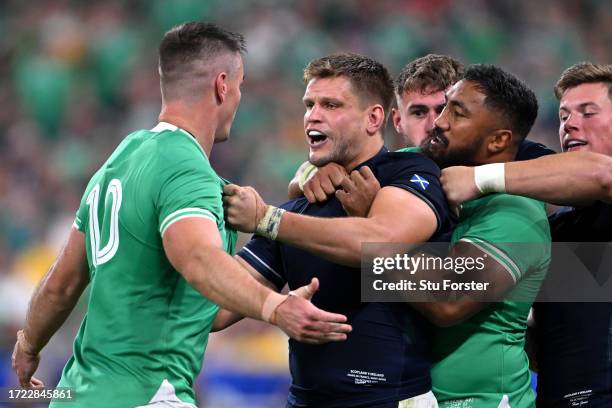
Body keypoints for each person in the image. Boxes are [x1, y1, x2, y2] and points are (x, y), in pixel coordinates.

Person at [10, 22, 351, 408]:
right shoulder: (186, 168)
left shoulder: (121, 158)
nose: (239, 99)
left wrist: (28, 346)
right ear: (222, 85)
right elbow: (197, 258)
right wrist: (276, 307)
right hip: (148, 395)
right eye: (239, 87)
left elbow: (62, 283)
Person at [298, 64, 552, 407]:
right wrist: (318, 169)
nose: (439, 122)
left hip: (479, 400)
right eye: (442, 107)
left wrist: (370, 224)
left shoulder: (515, 214)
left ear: (498, 141)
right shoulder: (423, 177)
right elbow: (349, 162)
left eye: (456, 113)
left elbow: (447, 300)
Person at [217, 52, 453, 407]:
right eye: (309, 104)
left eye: (331, 104)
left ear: (374, 118)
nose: (313, 114)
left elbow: (381, 242)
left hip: (391, 399)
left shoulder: (410, 172)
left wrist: (267, 220)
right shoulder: (297, 209)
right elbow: (218, 310)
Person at [440, 62, 612, 407]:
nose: (570, 123)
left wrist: (479, 179)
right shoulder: (557, 227)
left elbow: (603, 175)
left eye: (587, 112)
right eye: (563, 115)